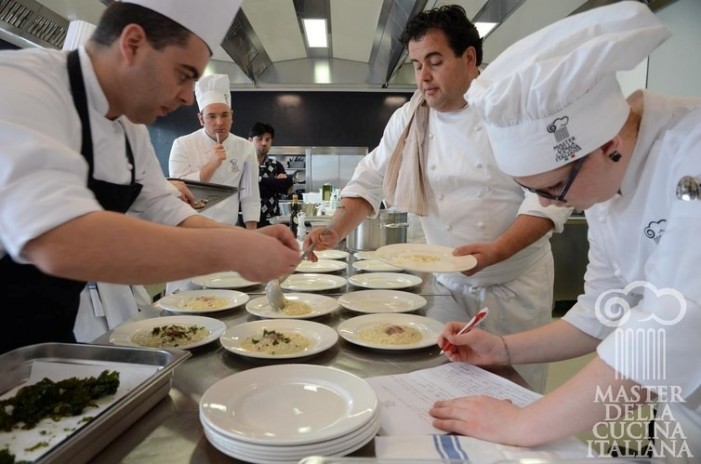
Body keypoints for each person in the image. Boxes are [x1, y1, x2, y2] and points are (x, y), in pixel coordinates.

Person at [431, 2, 700, 460]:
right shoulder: (602, 186)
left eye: (555, 189)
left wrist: (522, 422)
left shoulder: (691, 156)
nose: (551, 206)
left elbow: (672, 327)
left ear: (608, 145)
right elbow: (599, 314)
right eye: (534, 192)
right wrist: (499, 348)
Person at [0, 0, 300, 354]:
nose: (188, 98)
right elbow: (61, 240)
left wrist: (251, 238)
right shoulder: (19, 87)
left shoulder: (128, 126)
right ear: (132, 44)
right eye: (184, 74)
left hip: (43, 342)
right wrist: (235, 249)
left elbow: (168, 210)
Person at [304, 4, 570, 392]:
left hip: (514, 284)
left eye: (434, 61)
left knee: (514, 391)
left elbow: (548, 200)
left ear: (469, 58)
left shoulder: (514, 111)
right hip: (446, 282)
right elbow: (369, 180)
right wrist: (333, 230)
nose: (423, 77)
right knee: (448, 380)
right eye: (415, 65)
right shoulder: (410, 118)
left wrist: (496, 251)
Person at [169, 73, 260, 229]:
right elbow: (178, 191)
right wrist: (212, 164)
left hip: (227, 229)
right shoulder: (183, 144)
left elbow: (250, 196)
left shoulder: (245, 147)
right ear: (201, 118)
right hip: (190, 230)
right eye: (211, 116)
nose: (219, 122)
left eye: (224, 115)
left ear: (231, 116)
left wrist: (252, 234)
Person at [249, 122, 293, 227]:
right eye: (259, 139)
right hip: (247, 221)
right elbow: (249, 188)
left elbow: (287, 187)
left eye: (267, 139)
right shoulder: (243, 164)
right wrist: (274, 184)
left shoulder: (276, 165)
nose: (264, 143)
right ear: (250, 141)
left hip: (272, 220)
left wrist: (259, 180)